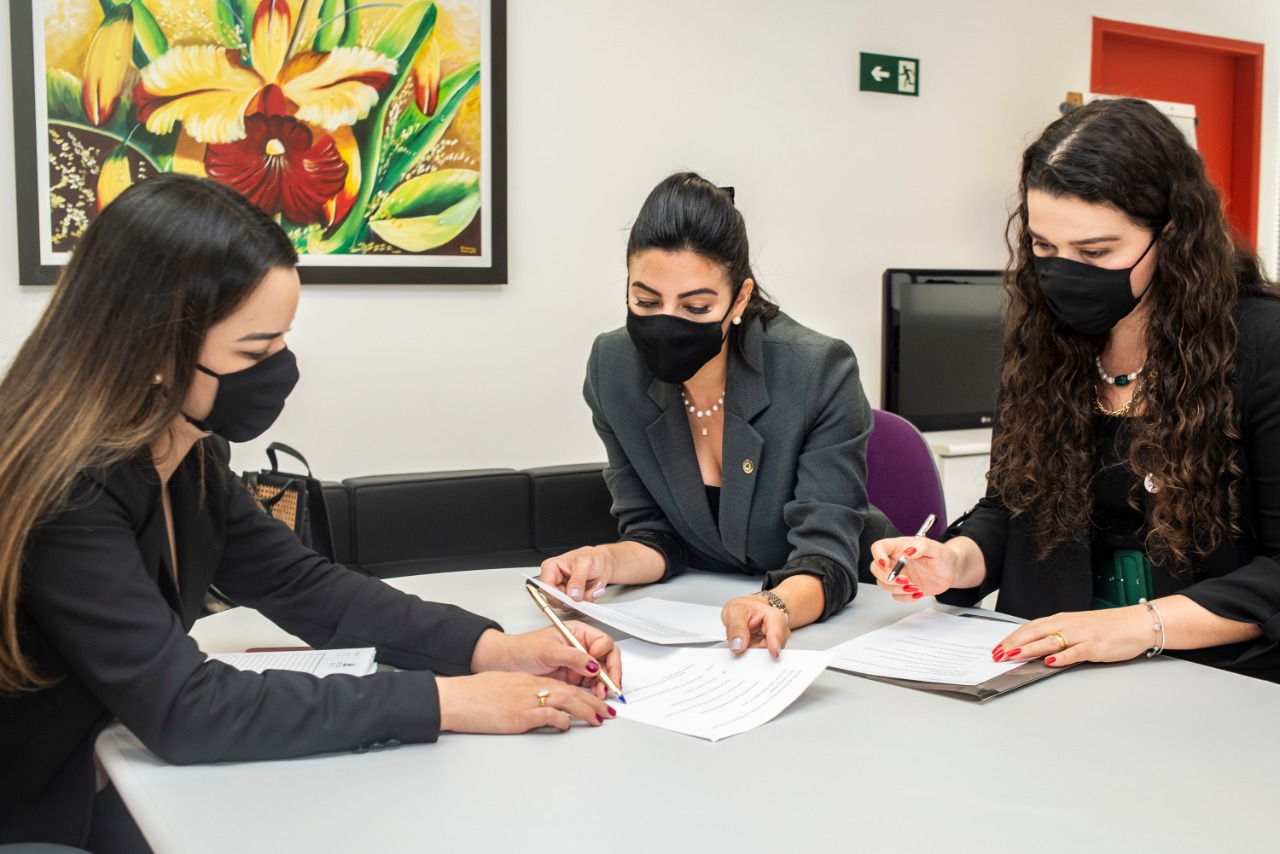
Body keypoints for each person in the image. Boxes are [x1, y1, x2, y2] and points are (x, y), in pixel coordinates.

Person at [0, 174, 621, 850]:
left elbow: (302, 585)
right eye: (254, 351)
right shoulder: (67, 491)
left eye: (282, 341)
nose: (281, 368)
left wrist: (490, 650)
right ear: (154, 349)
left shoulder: (185, 452)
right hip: (35, 808)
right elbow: (185, 709)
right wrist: (446, 702)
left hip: (99, 770)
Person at [870, 97, 1280, 682]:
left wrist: (1135, 625)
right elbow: (1012, 506)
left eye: (1094, 252)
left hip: (1213, 676)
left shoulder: (1262, 346)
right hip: (1055, 667)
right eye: (1043, 248)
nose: (1063, 273)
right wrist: (953, 561)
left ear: (1172, 234)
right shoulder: (1045, 341)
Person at [540, 172, 891, 656]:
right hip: (695, 624)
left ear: (740, 299)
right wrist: (602, 561)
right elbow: (655, 535)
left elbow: (825, 556)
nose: (666, 322)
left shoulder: (816, 370)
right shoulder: (613, 370)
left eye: (696, 306)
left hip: (829, 618)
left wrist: (775, 604)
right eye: (645, 300)